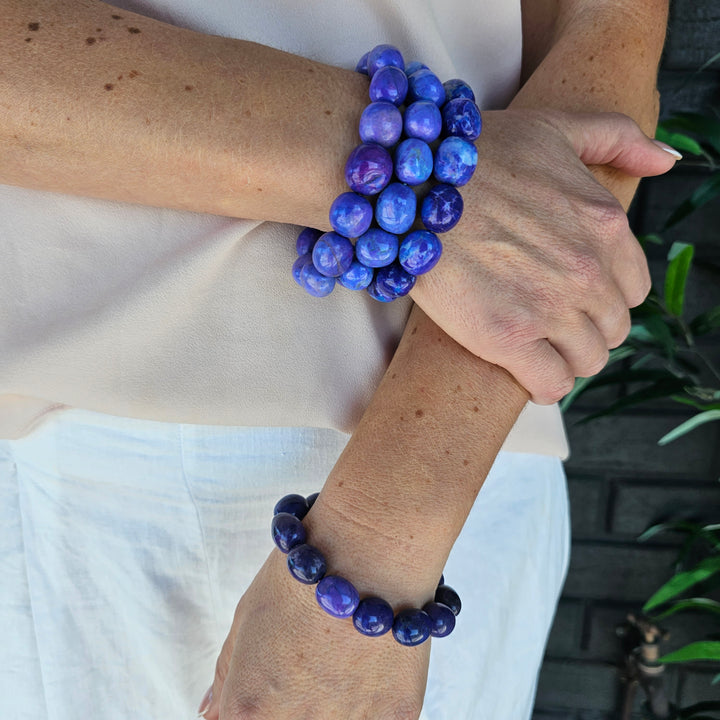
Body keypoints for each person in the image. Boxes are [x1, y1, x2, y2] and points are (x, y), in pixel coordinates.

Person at [0, 1, 675, 718]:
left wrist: (382, 543)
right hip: (85, 459)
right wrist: (438, 180)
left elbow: (606, 31)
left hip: (461, 450)